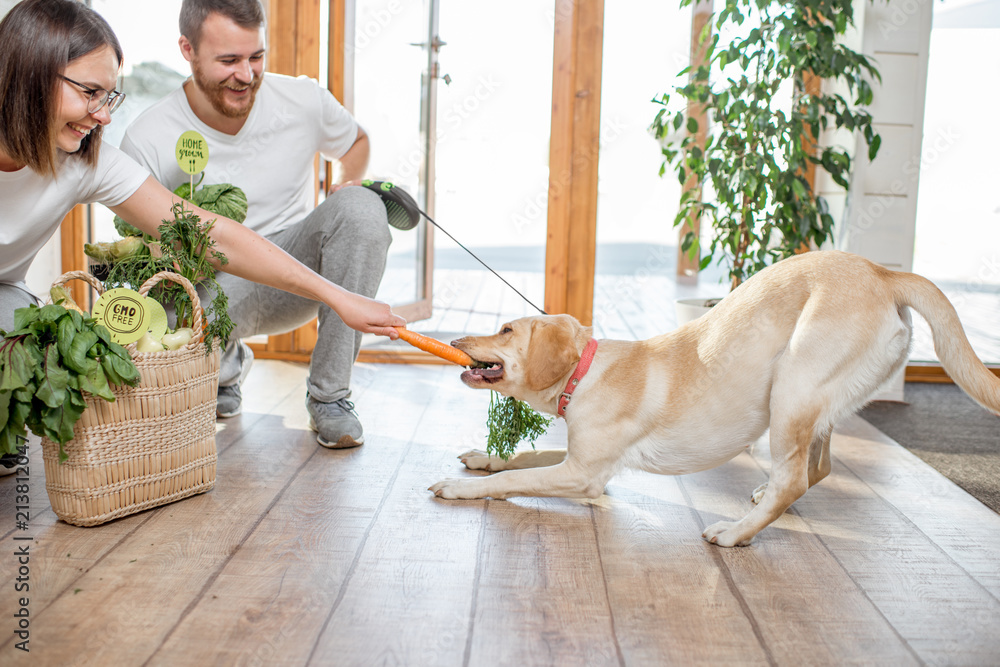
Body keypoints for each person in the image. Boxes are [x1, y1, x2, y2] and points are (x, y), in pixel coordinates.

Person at [0, 0, 404, 467]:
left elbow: (213, 236)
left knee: (37, 343)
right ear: (31, 73)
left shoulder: (87, 162)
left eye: (109, 96)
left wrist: (338, 296)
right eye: (90, 92)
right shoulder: (152, 131)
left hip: (6, 292)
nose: (103, 115)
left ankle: (314, 393)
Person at [120, 0, 394, 450]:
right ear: (187, 50)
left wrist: (347, 183)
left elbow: (356, 141)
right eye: (228, 60)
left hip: (295, 277)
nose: (246, 75)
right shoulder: (148, 137)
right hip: (208, 285)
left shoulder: (302, 100)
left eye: (256, 57)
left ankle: (330, 396)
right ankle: (224, 368)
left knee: (363, 208)